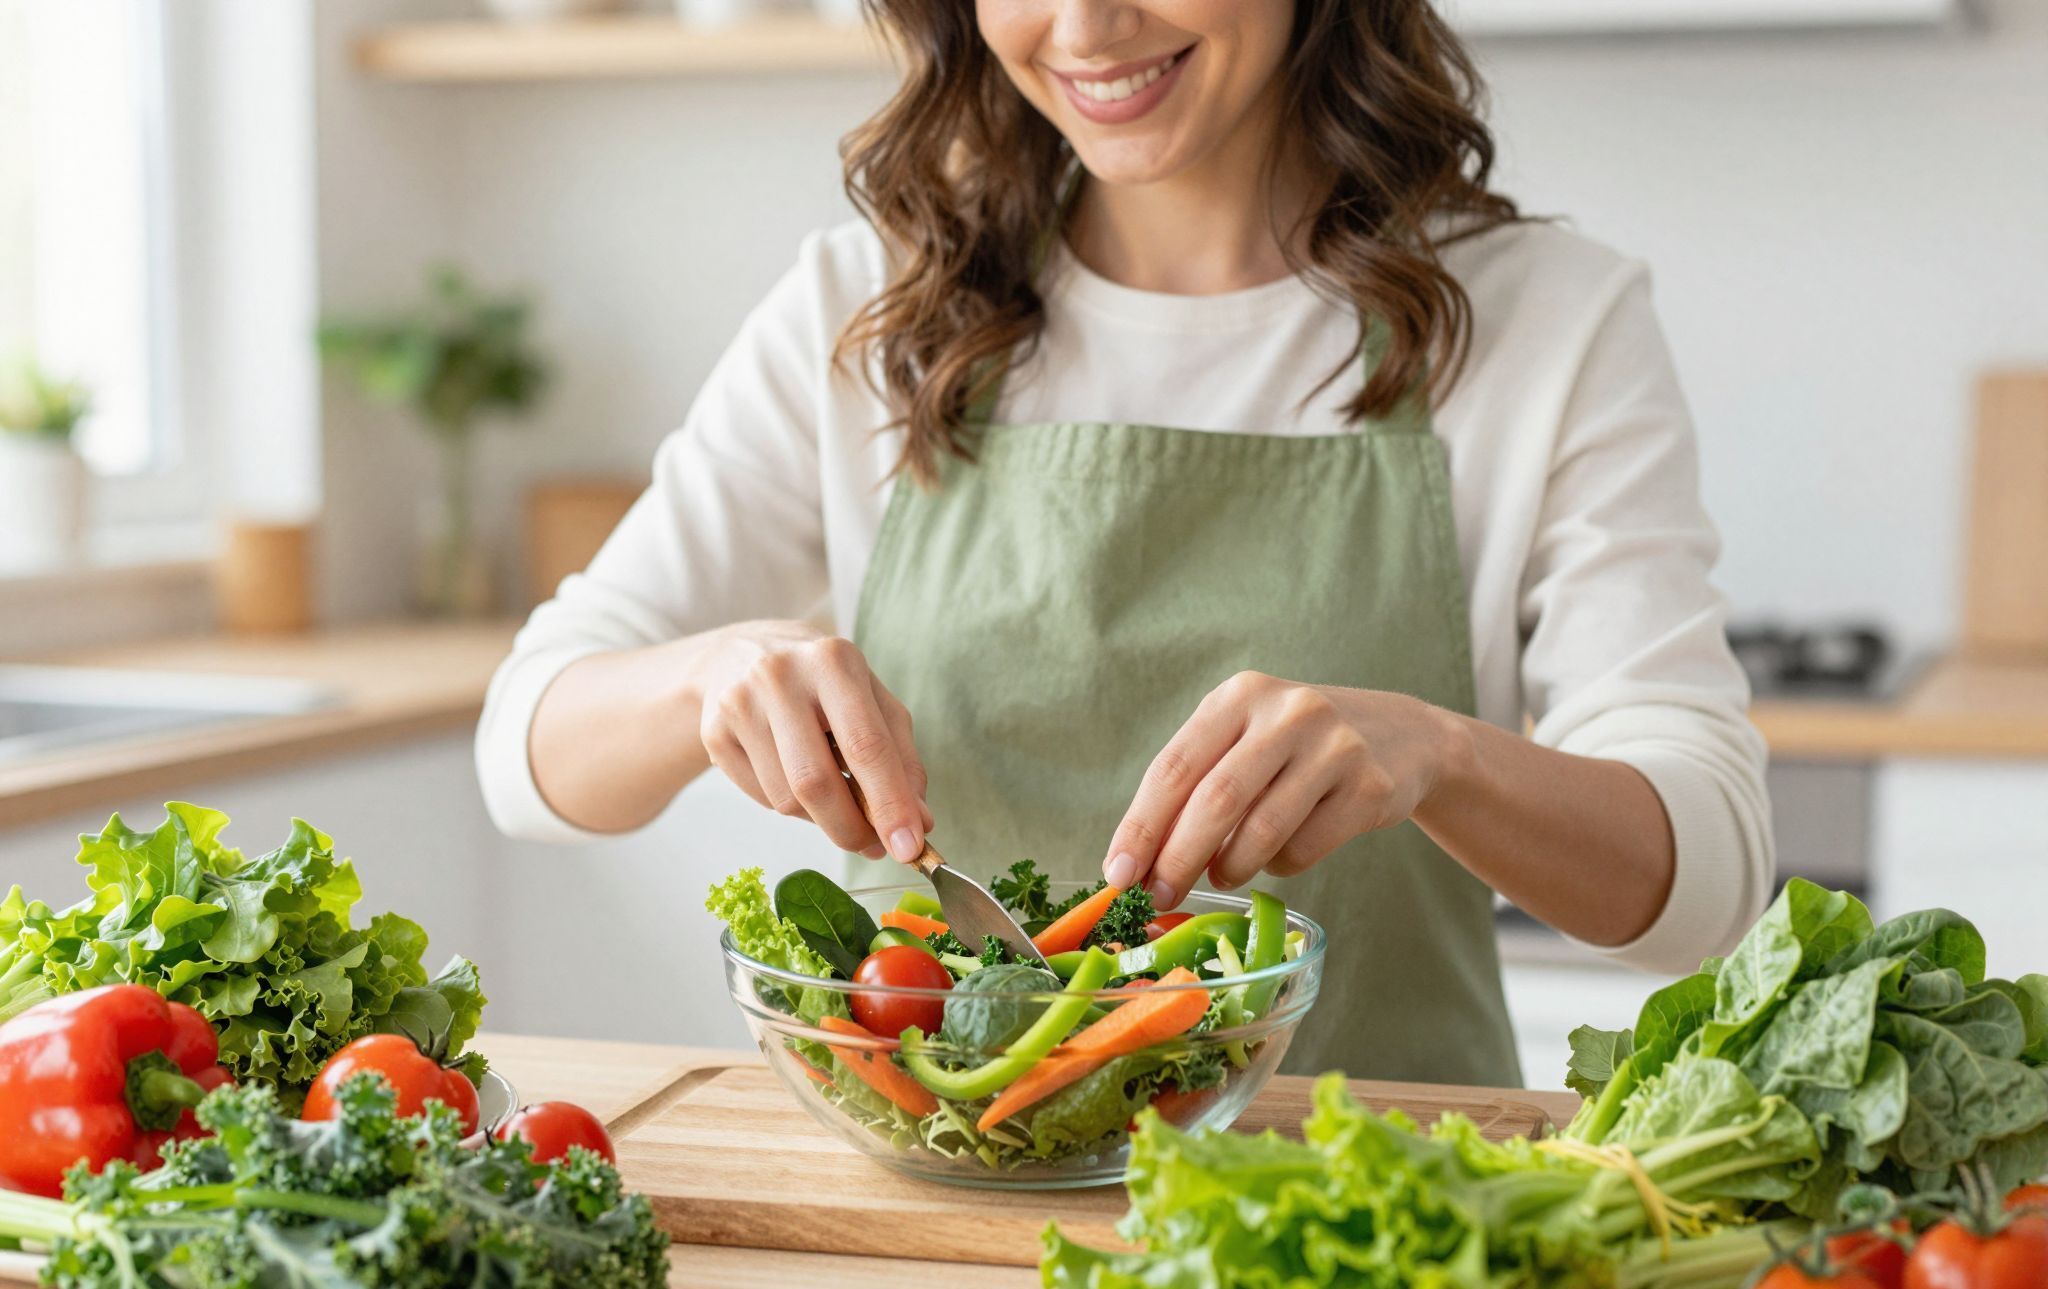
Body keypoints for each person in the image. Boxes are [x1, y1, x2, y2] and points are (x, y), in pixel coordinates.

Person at [476, 0, 1772, 1087]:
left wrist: (1441, 753)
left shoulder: (1548, 321)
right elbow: (526, 752)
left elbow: (1706, 877)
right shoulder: (867, 308)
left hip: (1352, 1201)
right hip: (939, 1216)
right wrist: (708, 678)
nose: (1088, 27)